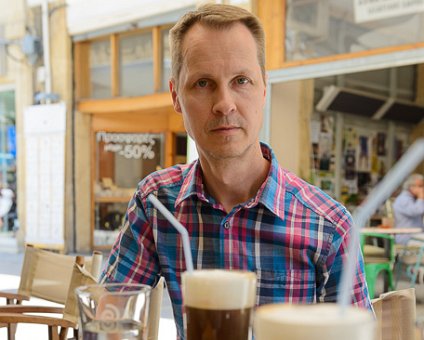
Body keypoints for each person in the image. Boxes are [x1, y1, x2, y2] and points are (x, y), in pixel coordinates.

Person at [100, 4, 371, 338]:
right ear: (176, 96)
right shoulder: (156, 203)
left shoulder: (329, 226)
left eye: (241, 80)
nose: (224, 103)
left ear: (263, 89)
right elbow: (109, 318)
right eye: (203, 83)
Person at [393, 173, 424, 245]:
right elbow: (418, 211)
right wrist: (421, 197)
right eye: (420, 186)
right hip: (407, 237)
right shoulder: (403, 199)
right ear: (411, 187)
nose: (422, 189)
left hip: (416, 236)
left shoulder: (414, 199)